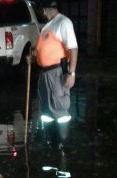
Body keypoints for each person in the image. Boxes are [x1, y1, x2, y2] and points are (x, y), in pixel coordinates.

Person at [29, 0, 78, 151]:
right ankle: (50, 141)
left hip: (57, 72)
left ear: (47, 9)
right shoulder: (47, 27)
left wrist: (71, 73)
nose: (42, 13)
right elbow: (40, 51)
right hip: (44, 73)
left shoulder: (64, 22)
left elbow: (73, 48)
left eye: (42, 10)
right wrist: (32, 57)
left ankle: (63, 143)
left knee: (60, 108)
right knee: (46, 110)